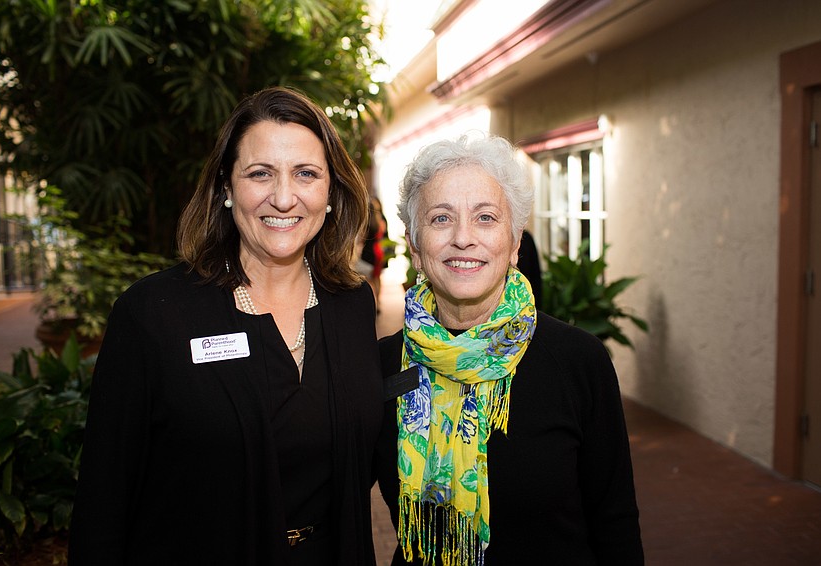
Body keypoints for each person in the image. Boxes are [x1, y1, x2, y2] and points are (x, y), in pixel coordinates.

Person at [69, 87, 383, 565]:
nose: (283, 197)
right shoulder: (153, 313)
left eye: (306, 173)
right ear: (225, 187)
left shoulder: (353, 305)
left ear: (331, 192)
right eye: (260, 174)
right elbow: (103, 500)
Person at [374, 133, 643, 565]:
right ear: (416, 247)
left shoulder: (578, 362)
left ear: (515, 244)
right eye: (441, 219)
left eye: (485, 218)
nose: (464, 238)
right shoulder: (380, 366)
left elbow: (615, 523)